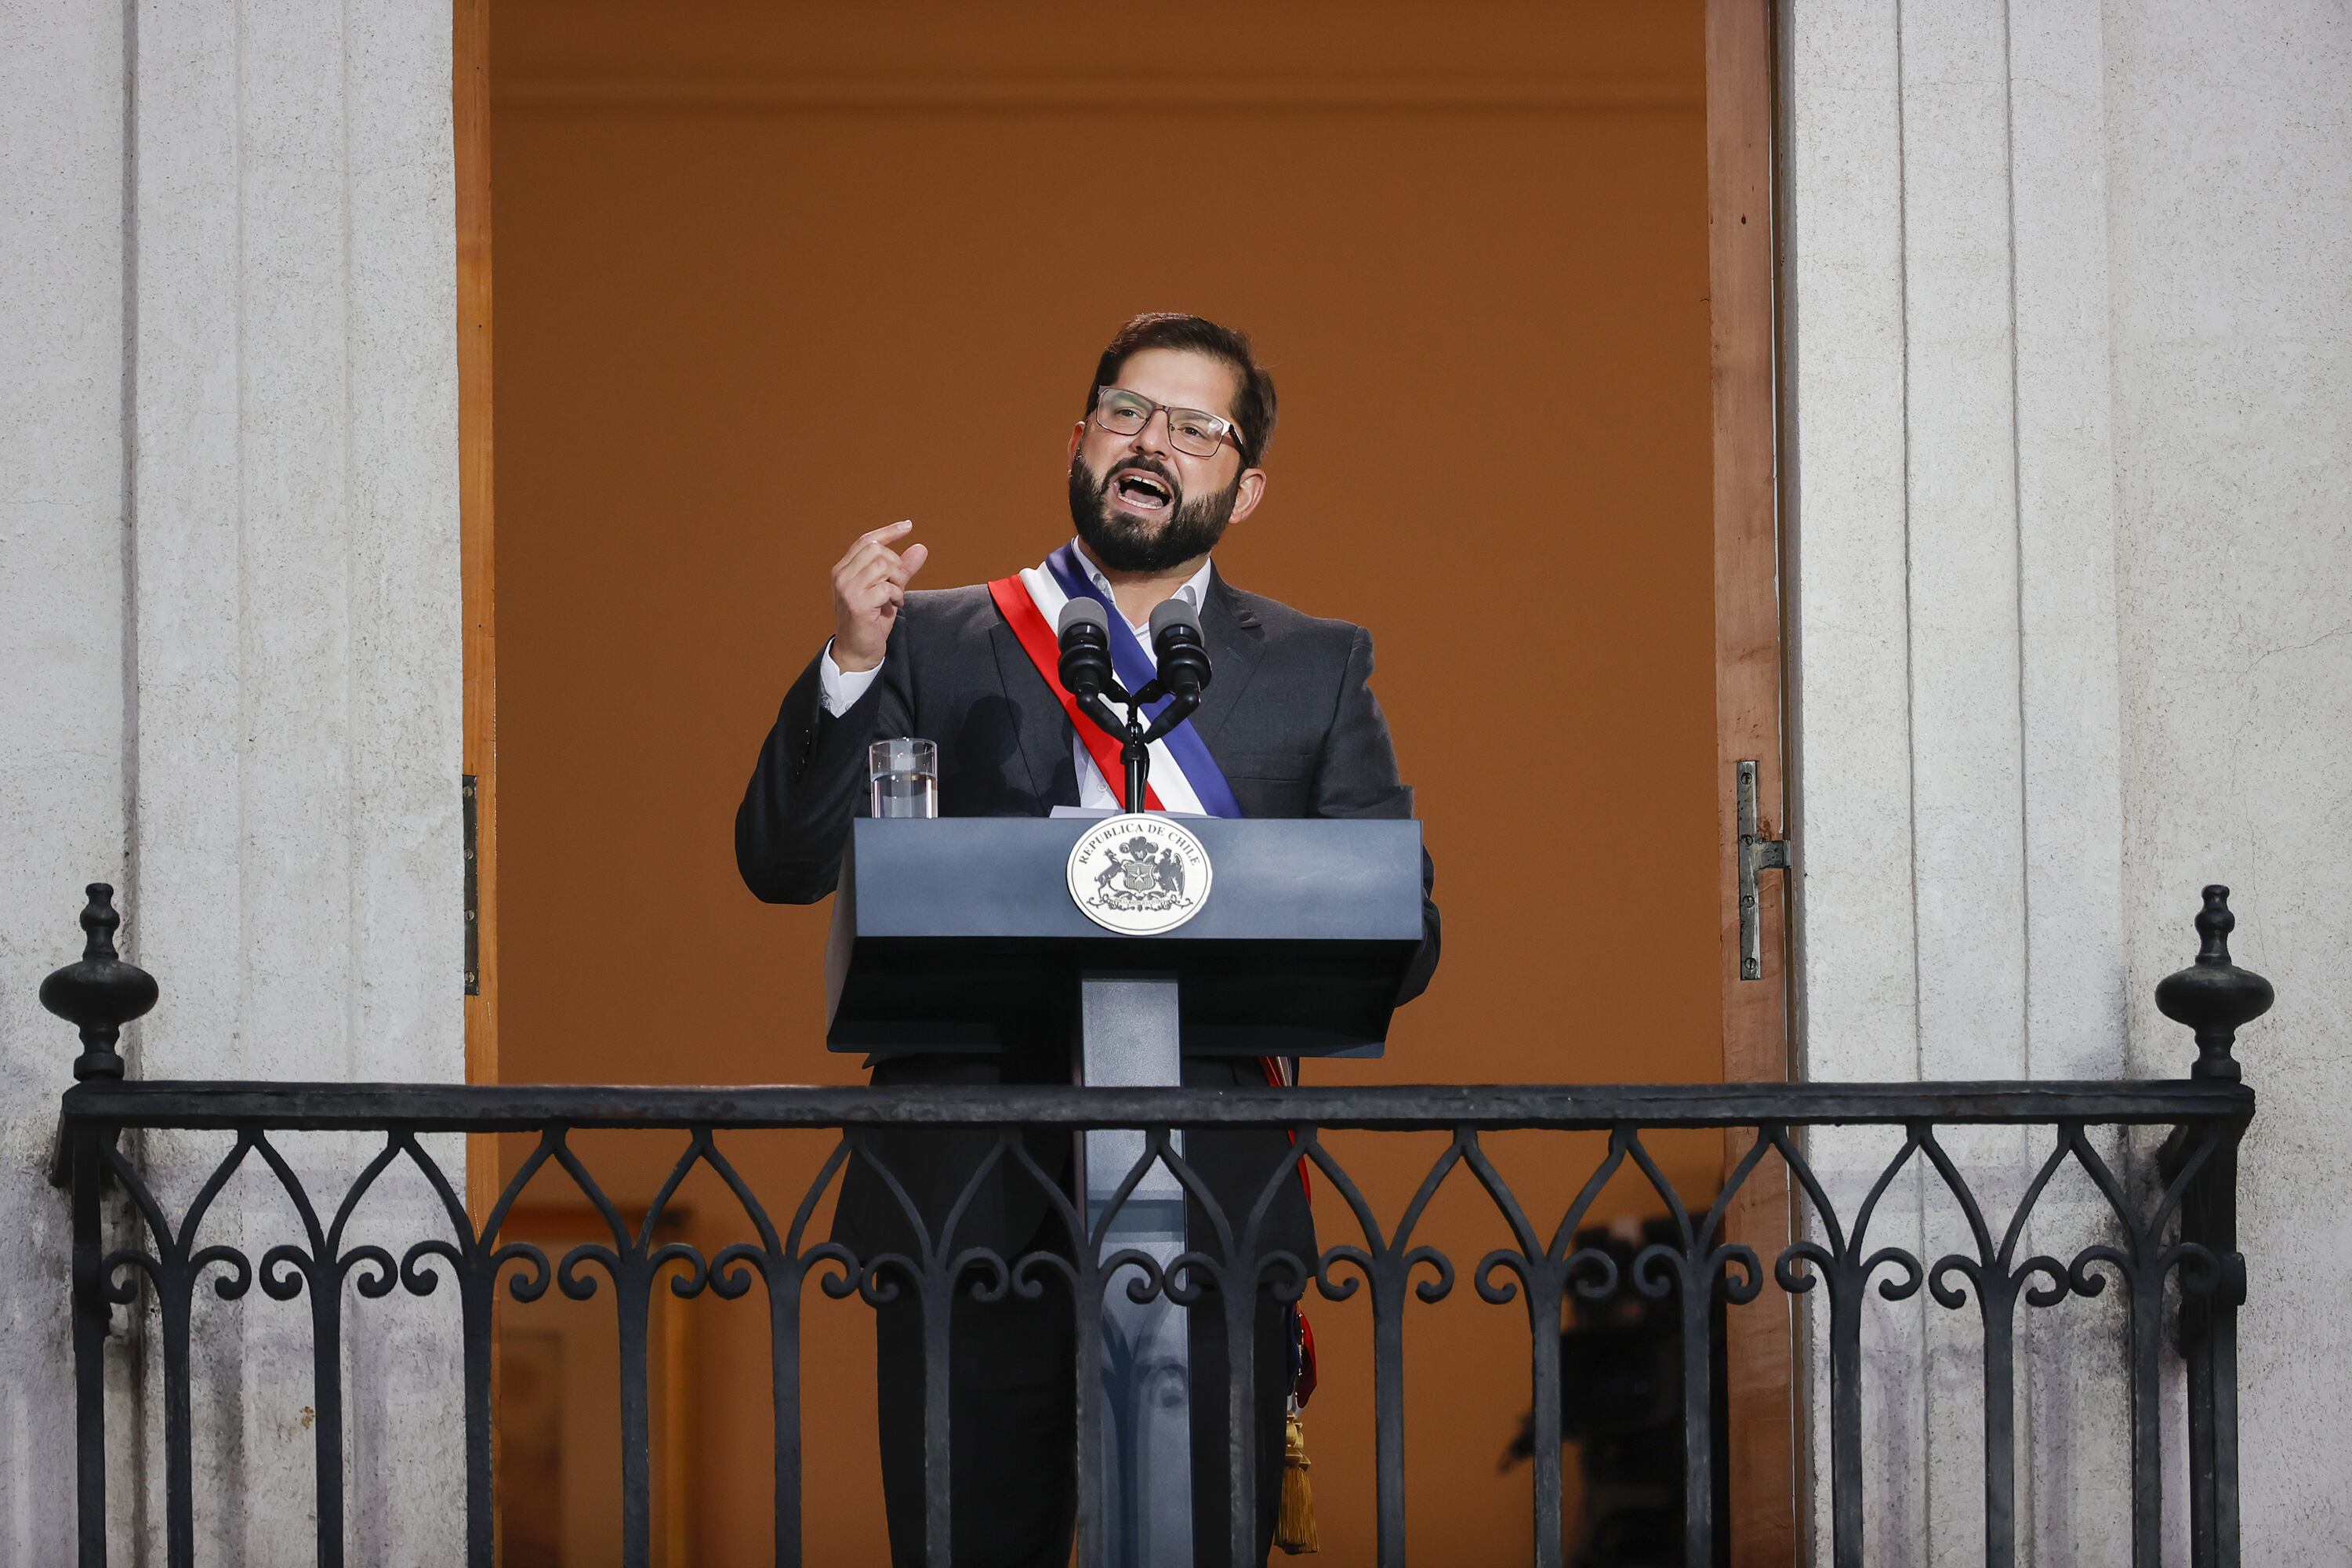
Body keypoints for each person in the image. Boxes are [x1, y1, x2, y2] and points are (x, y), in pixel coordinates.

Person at [735, 311, 1439, 1566]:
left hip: (1212, 1207)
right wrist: (848, 660)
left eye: (1195, 427)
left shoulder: (1318, 667)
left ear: (1246, 486)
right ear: (1080, 439)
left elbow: (1404, 928)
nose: (1151, 441)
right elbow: (785, 865)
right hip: (967, 1199)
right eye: (1126, 411)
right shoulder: (931, 637)